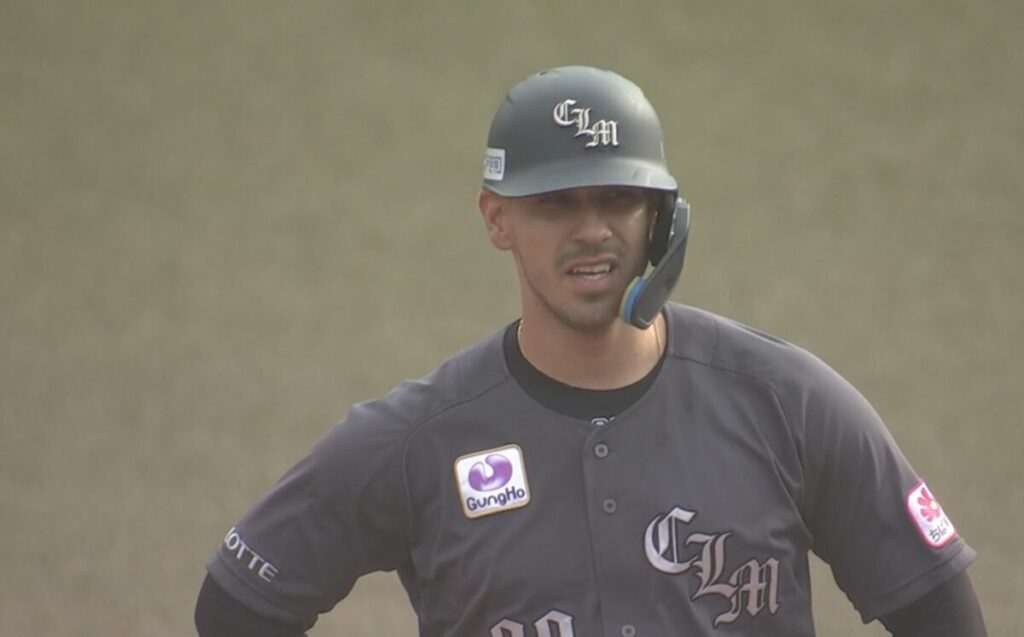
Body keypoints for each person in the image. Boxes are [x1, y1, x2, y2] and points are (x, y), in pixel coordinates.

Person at [194, 66, 986, 636]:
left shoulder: (787, 403)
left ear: (661, 218)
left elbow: (942, 612)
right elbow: (237, 607)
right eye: (556, 204)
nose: (592, 230)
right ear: (497, 219)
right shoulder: (418, 440)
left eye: (618, 198)